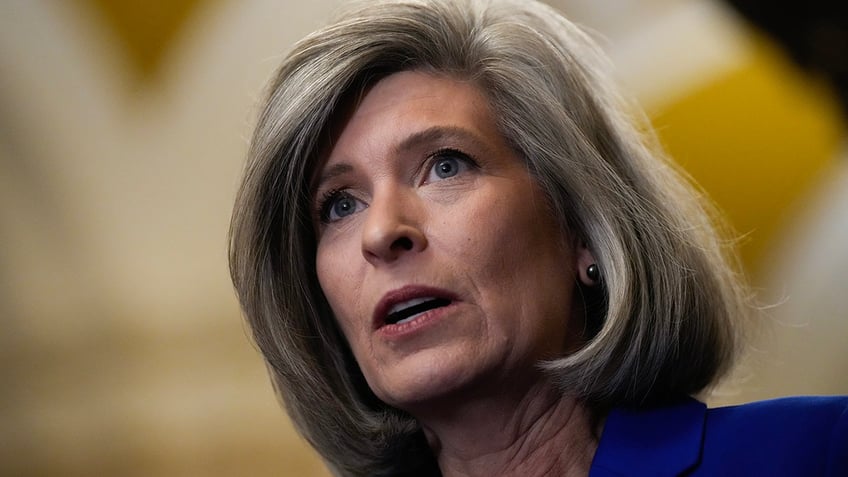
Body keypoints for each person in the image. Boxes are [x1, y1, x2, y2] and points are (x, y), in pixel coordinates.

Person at [228, 0, 848, 475]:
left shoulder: (817, 453)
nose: (382, 231)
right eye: (339, 205)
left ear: (581, 227)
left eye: (446, 165)